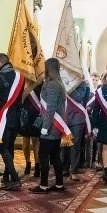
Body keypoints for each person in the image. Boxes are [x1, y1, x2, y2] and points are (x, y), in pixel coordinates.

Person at [0, 53, 23, 190]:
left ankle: (15, 178)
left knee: (3, 148)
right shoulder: (20, 77)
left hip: (3, 118)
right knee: (10, 147)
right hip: (16, 118)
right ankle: (6, 176)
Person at [32, 58, 66, 193]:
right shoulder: (58, 83)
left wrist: (45, 127)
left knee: (44, 156)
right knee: (56, 156)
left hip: (51, 126)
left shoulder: (52, 85)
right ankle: (58, 184)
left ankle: (43, 185)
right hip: (55, 125)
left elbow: (50, 108)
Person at [64, 79, 91, 181]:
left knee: (75, 145)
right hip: (65, 116)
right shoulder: (61, 80)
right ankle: (65, 167)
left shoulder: (81, 82)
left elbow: (79, 98)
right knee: (65, 144)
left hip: (77, 118)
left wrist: (69, 86)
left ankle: (74, 170)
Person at [20, 83, 42, 177]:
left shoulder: (40, 83)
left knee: (35, 140)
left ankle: (37, 165)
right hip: (25, 114)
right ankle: (27, 163)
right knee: (25, 140)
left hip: (36, 113)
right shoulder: (23, 83)